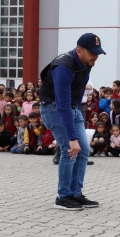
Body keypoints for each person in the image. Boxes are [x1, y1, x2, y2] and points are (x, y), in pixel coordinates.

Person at [39, 33, 103, 211]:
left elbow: (79, 91)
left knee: (82, 150)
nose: (95, 57)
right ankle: (63, 196)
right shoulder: (63, 67)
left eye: (97, 53)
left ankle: (75, 194)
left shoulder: (86, 63)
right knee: (70, 150)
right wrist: (72, 138)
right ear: (79, 50)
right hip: (54, 109)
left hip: (72, 109)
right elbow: (62, 105)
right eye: (92, 53)